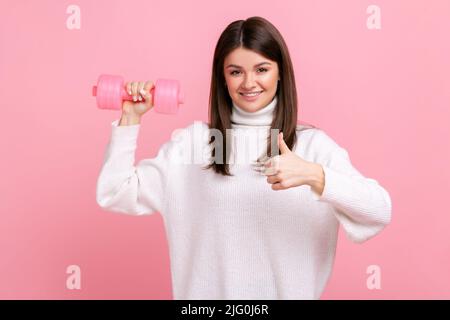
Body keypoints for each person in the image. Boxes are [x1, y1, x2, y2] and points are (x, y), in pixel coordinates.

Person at [96, 16, 392, 300]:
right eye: (236, 71)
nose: (249, 82)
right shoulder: (194, 143)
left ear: (280, 73)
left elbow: (378, 211)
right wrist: (129, 119)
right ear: (223, 78)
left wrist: (315, 176)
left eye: (261, 69)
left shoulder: (313, 147)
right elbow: (115, 192)